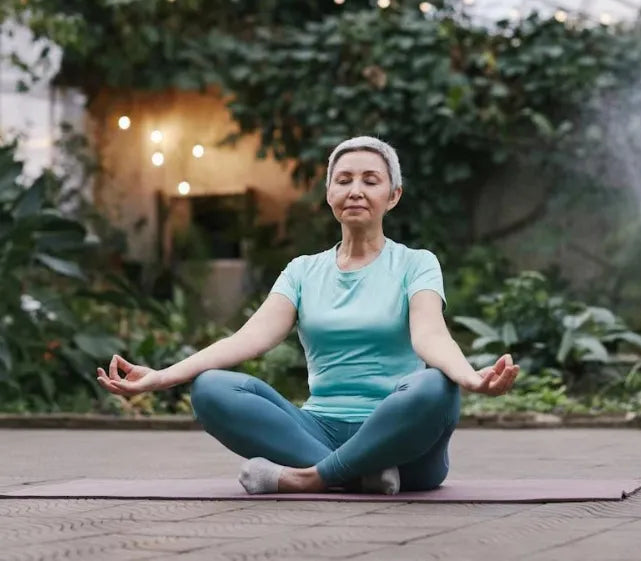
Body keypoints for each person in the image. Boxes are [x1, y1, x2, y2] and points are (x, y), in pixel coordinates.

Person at [97, 136, 519, 495]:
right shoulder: (302, 271)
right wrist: (161, 377)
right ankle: (358, 474)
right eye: (344, 180)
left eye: (371, 181)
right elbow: (247, 340)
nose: (356, 190)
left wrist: (469, 378)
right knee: (210, 389)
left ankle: (308, 479)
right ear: (329, 193)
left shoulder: (416, 263)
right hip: (316, 430)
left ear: (393, 196)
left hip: (403, 445)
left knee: (436, 387)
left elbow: (430, 336)